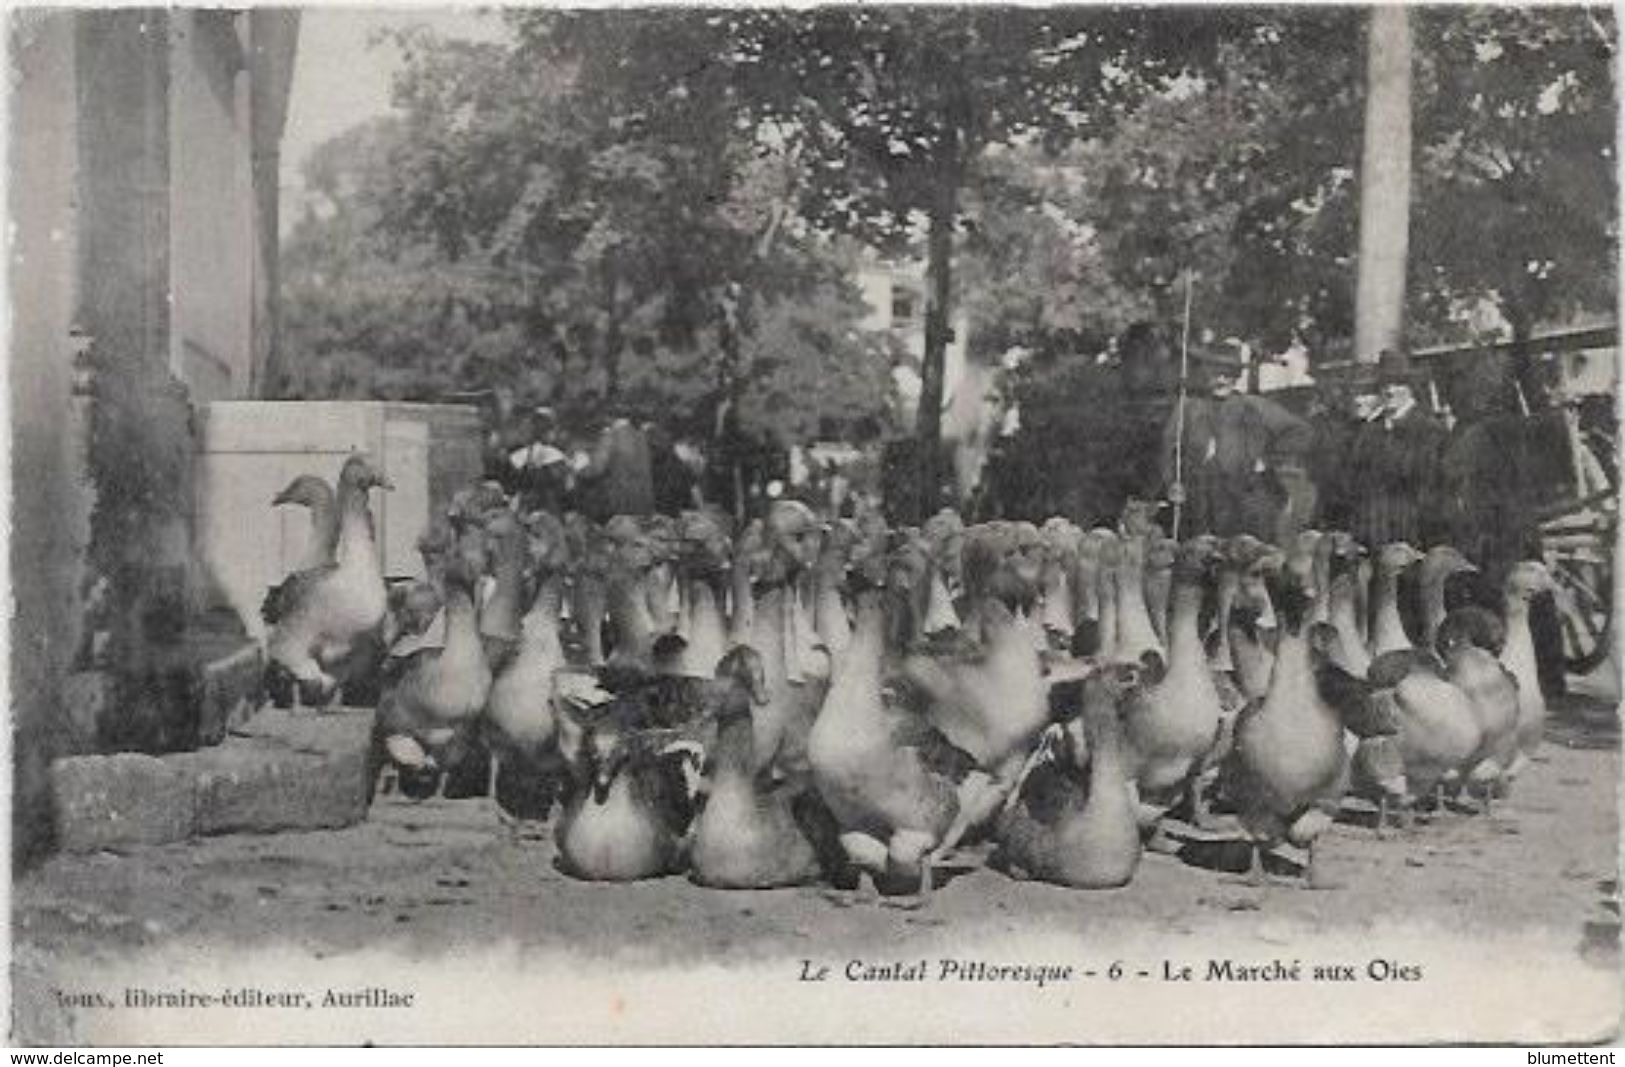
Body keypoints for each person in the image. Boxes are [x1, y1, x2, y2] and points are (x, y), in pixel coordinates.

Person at [1160, 349, 1313, 539]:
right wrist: (1172, 483)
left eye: (1228, 374)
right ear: (1206, 374)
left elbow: (1300, 431)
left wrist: (1268, 459)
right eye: (1216, 373)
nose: (1222, 379)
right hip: (1199, 494)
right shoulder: (1188, 408)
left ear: (1237, 377)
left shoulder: (1254, 406)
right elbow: (1168, 449)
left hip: (1243, 492)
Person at [1348, 349, 1449, 548]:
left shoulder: (1428, 430)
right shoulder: (1369, 431)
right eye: (1385, 384)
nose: (1390, 390)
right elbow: (1356, 482)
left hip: (1410, 531)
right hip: (1371, 531)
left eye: (1398, 383)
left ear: (1411, 387)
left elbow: (1429, 487)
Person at [575, 408, 656, 522]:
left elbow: (597, 468)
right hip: (643, 500)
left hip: (620, 500)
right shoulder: (642, 434)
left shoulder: (613, 434)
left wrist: (578, 472)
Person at [508, 406, 572, 515]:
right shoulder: (517, 455)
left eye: (545, 425)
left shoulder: (558, 456)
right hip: (524, 509)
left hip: (547, 511)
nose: (540, 428)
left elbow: (566, 488)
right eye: (537, 425)